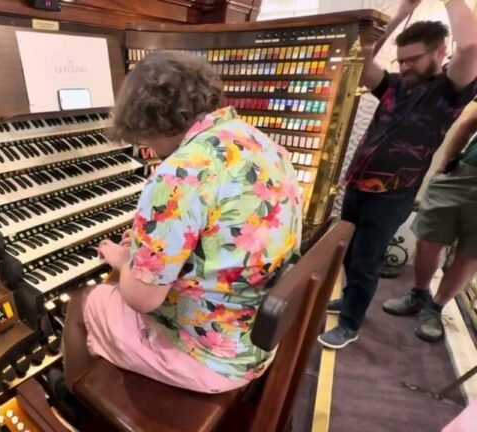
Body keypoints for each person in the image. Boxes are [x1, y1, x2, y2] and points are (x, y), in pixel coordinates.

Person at [61, 51, 302, 394]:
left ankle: (75, 402)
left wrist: (124, 259)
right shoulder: (258, 141)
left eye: (142, 134)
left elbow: (142, 299)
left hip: (212, 356)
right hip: (253, 334)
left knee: (82, 301)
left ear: (151, 118)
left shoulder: (178, 173)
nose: (144, 144)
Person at [318, 0, 477, 350]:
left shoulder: (451, 91)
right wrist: (404, 10)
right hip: (359, 184)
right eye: (401, 59)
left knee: (366, 259)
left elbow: (471, 45)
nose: (404, 66)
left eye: (413, 59)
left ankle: (350, 324)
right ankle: (349, 301)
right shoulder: (393, 85)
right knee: (349, 252)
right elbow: (361, 59)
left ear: (440, 52)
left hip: (393, 193)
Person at [382, 101, 477, 342]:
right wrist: (446, 164)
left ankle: (435, 308)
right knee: (427, 240)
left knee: (470, 255)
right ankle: (419, 294)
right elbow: (468, 122)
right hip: (465, 173)